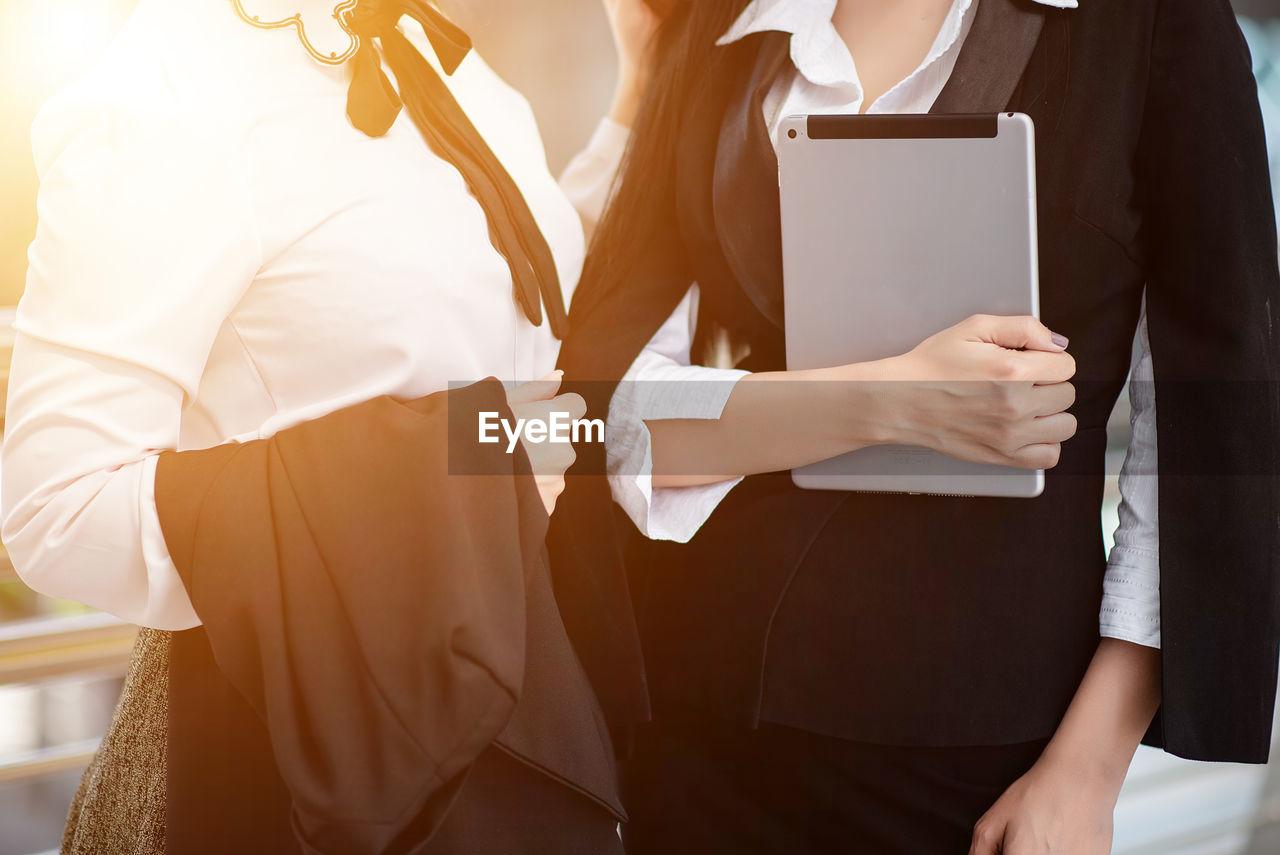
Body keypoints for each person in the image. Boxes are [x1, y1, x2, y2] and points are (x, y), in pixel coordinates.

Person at [554, 0, 1280, 852]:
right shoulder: (719, 27)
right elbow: (600, 409)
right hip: (694, 718)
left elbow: (1211, 426)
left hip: (978, 751)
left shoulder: (1149, 25)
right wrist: (893, 398)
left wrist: (1087, 768)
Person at [1, 0, 657, 852]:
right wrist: (436, 475)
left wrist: (640, 91)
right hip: (296, 739)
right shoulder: (166, 96)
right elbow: (54, 512)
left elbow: (511, 317)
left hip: (513, 694)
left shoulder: (458, 70)